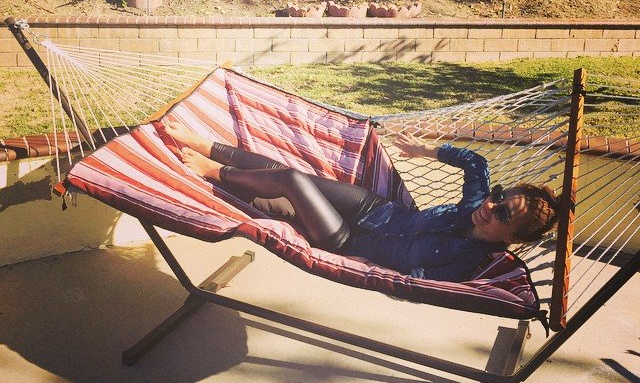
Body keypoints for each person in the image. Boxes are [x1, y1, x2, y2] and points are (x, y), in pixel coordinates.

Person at [164, 120, 560, 282]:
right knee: (292, 173)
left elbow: (415, 283)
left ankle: (213, 171)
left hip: (347, 241)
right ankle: (209, 146)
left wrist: (366, 271)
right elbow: (477, 162)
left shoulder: (463, 264)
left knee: (291, 182)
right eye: (498, 196)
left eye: (502, 212)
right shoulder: (475, 204)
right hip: (374, 209)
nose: (490, 206)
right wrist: (423, 151)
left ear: (512, 238)